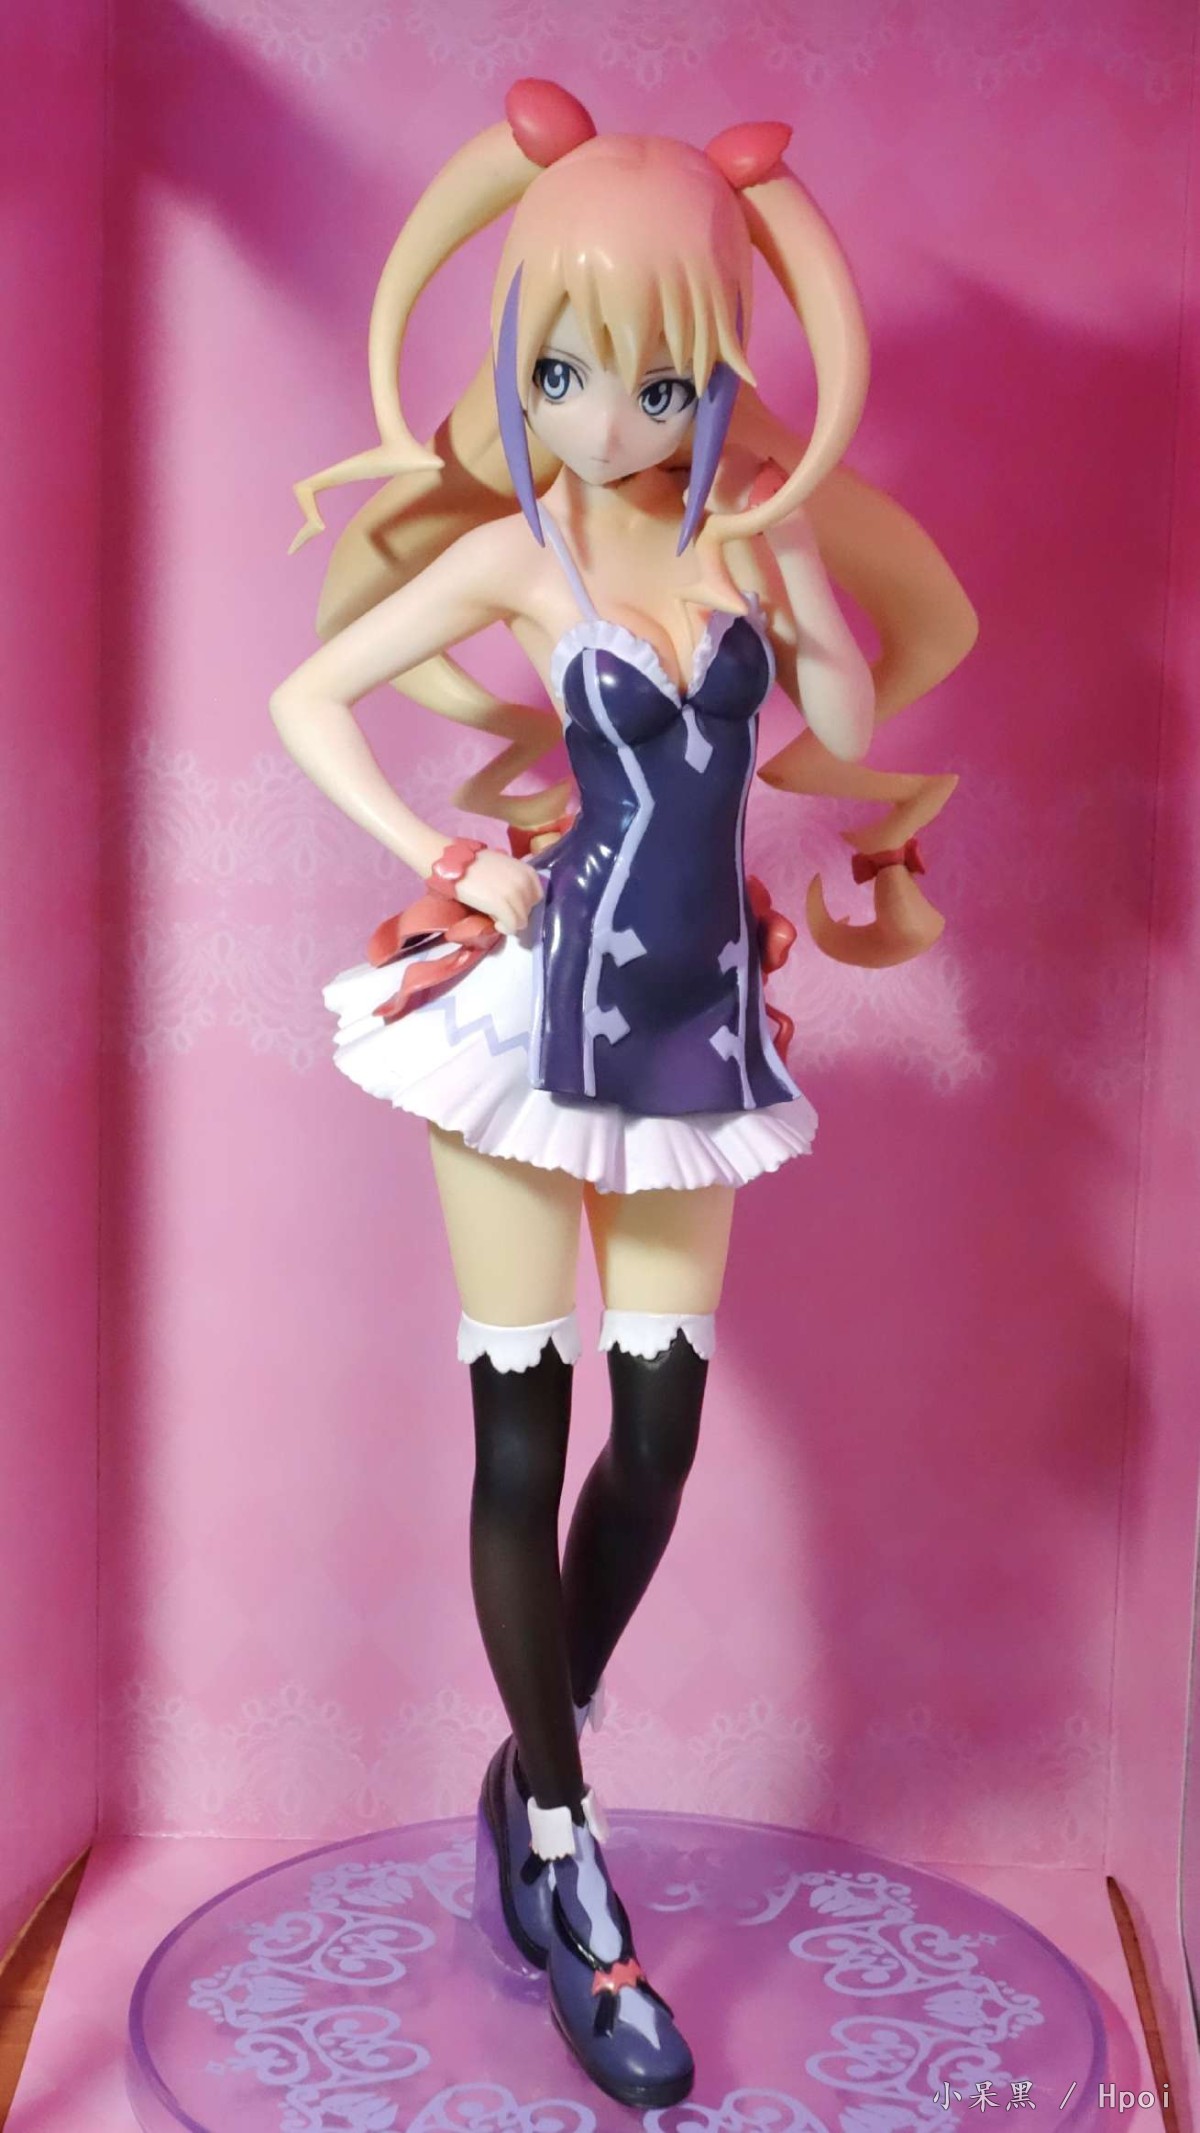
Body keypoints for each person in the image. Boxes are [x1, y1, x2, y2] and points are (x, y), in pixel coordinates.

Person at [269, 78, 976, 2109]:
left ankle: (530, 1756)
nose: (603, 418)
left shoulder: (744, 547)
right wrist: (447, 853)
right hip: (525, 1035)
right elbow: (311, 695)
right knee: (526, 1430)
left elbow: (842, 707)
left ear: (718, 368)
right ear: (522, 356)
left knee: (654, 1440)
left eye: (654, 379)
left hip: (695, 1040)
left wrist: (793, 565)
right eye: (563, 371)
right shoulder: (515, 558)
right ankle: (571, 1856)